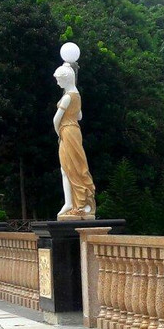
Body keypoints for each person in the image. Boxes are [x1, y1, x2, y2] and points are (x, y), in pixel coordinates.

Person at [53, 64, 96, 220]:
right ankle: (69, 202)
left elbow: (55, 119)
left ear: (65, 79)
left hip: (67, 131)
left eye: (58, 80)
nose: (57, 83)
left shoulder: (67, 97)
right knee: (67, 167)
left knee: (73, 166)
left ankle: (81, 201)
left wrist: (59, 133)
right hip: (74, 129)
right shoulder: (76, 95)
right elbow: (79, 116)